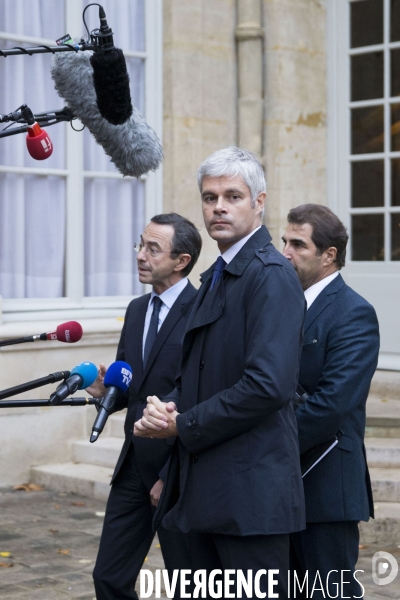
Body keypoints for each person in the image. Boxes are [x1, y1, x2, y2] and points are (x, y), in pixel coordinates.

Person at [134, 147, 306, 598]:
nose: (219, 207)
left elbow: (268, 386)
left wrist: (181, 424)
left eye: (233, 196)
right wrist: (166, 405)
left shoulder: (271, 275)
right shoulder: (216, 275)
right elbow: (202, 370)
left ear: (259, 202)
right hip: (208, 488)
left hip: (251, 494)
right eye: (210, 198)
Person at [89, 213, 202, 600]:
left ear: (181, 260)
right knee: (109, 578)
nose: (140, 255)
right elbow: (132, 387)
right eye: (140, 244)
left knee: (191, 587)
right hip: (133, 467)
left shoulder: (202, 310)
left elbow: (197, 393)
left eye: (153, 248)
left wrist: (169, 472)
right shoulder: (137, 309)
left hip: (179, 472)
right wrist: (105, 391)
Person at [282, 204, 380, 599]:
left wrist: (269, 443)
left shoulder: (354, 312)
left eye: (297, 244)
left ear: (329, 255)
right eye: (283, 241)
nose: (284, 252)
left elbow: (331, 405)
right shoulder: (283, 304)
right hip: (281, 486)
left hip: (326, 489)